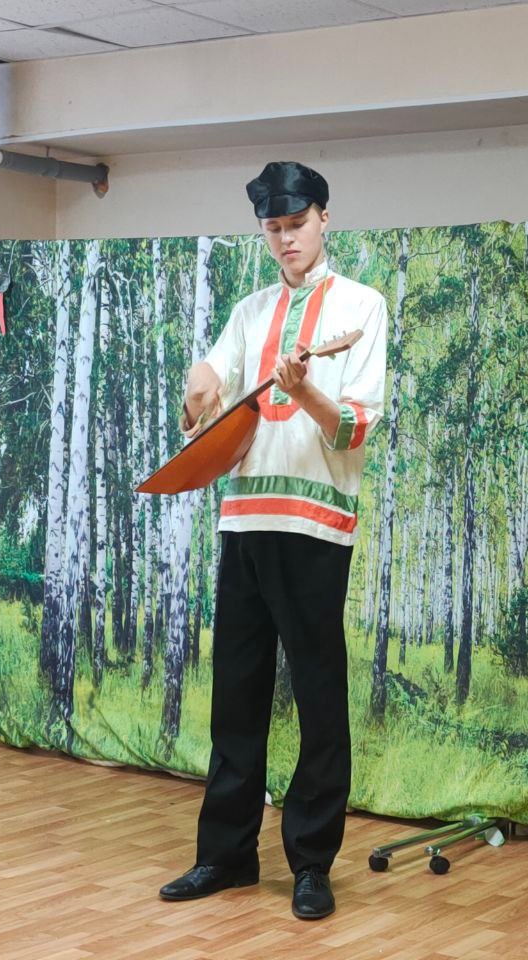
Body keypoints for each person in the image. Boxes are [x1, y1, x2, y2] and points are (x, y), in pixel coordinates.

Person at [158, 161, 387, 921]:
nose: (286, 239)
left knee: (318, 695)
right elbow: (207, 406)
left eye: (297, 224)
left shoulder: (362, 307)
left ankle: (311, 864)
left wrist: (306, 389)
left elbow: (354, 429)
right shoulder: (250, 312)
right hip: (244, 521)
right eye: (274, 229)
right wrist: (195, 389)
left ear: (325, 219)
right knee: (236, 692)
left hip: (315, 527)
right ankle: (226, 855)